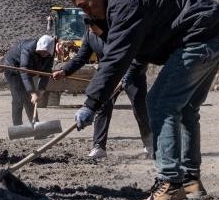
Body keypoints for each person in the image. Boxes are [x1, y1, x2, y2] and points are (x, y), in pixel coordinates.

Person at [65, 0, 219, 200]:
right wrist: (128, 74)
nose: (85, 12)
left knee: (160, 103)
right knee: (186, 108)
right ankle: (190, 181)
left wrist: (91, 104)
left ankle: (170, 183)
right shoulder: (124, 1)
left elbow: (115, 58)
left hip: (200, 36)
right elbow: (138, 47)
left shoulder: (124, 3)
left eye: (85, 5)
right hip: (216, 31)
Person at [52, 18, 151, 160]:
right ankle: (98, 147)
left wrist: (127, 75)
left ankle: (149, 144)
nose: (91, 31)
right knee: (102, 107)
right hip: (107, 75)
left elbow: (137, 55)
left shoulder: (119, 31)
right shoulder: (90, 35)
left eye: (94, 28)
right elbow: (80, 57)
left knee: (140, 108)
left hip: (132, 73)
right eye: (89, 28)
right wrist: (65, 71)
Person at [2, 35, 55, 127]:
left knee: (29, 99)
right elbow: (24, 70)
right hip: (12, 68)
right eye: (42, 51)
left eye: (46, 52)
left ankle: (36, 126)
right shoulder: (28, 49)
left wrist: (41, 90)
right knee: (19, 98)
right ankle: (17, 127)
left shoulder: (50, 54)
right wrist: (33, 93)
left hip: (27, 70)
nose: (43, 54)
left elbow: (46, 72)